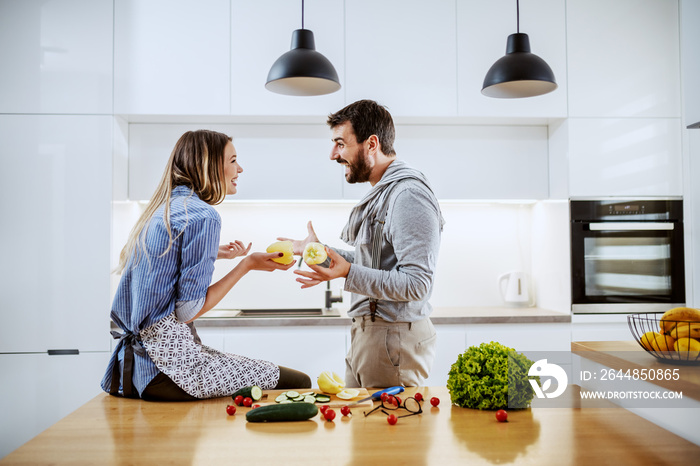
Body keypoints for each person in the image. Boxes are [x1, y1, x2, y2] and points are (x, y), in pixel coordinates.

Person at [101, 129, 311, 401]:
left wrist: (212, 254)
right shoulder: (203, 216)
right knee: (299, 382)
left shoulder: (162, 209)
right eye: (233, 160)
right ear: (210, 165)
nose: (240, 168)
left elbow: (161, 269)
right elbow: (188, 310)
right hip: (169, 370)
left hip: (135, 371)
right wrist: (246, 264)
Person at [287, 100, 445, 388]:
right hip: (372, 336)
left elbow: (417, 284)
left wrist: (347, 272)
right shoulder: (386, 193)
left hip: (392, 339)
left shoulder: (408, 195)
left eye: (340, 143)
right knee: (360, 431)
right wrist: (323, 253)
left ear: (371, 144)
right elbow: (374, 261)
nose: (333, 155)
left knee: (387, 433)